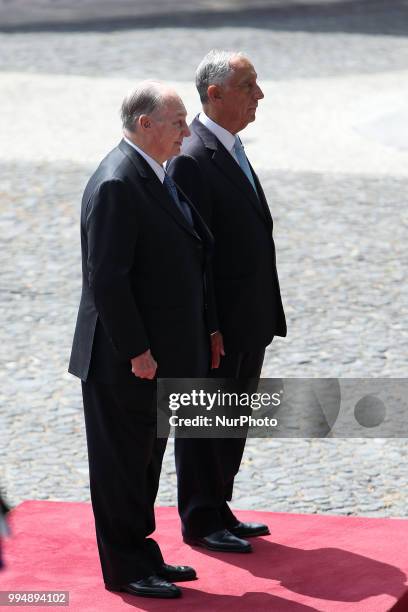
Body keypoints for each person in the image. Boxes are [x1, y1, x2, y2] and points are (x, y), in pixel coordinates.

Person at [68, 81, 214, 599]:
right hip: (124, 362)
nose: (186, 130)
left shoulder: (152, 172)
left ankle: (142, 554)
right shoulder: (118, 182)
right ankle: (126, 568)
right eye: (177, 121)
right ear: (145, 124)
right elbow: (107, 278)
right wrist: (137, 350)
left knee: (145, 463)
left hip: (155, 356)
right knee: (121, 468)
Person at [167, 50, 287, 553]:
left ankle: (219, 506)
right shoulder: (193, 157)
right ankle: (200, 517)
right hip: (219, 326)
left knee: (232, 421)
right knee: (206, 423)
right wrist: (210, 325)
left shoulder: (231, 147)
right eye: (248, 85)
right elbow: (195, 256)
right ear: (214, 94)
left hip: (249, 317)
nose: (259, 94)